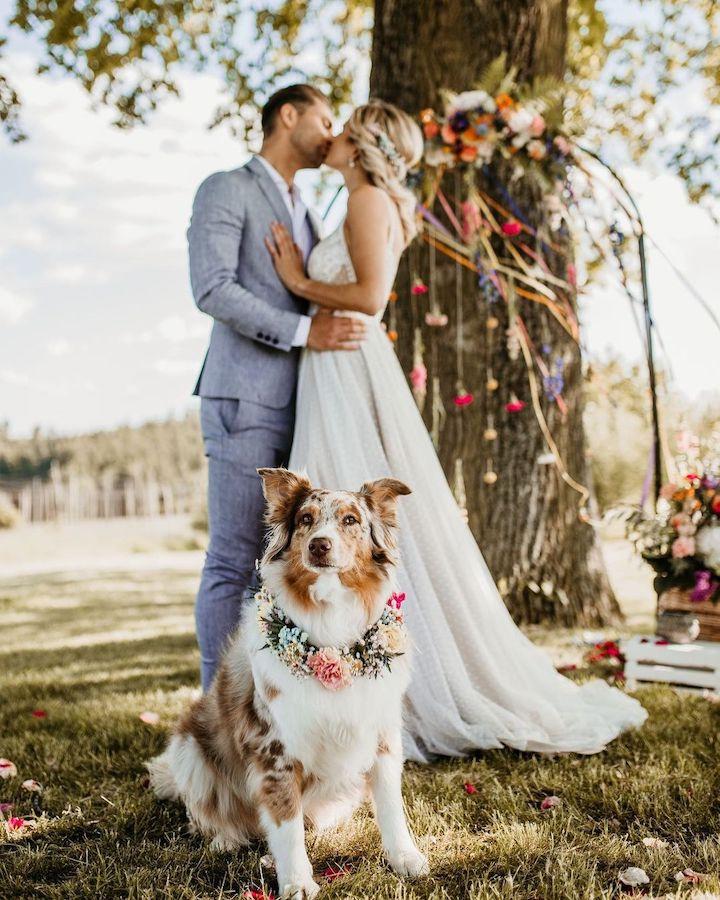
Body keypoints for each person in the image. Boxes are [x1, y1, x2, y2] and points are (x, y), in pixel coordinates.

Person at [266, 98, 648, 762]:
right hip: (334, 365)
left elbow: (369, 298)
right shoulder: (361, 200)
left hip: (347, 365)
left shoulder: (367, 203)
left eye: (341, 126)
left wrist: (297, 279)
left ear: (359, 143)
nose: (329, 135)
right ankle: (332, 686)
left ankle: (385, 689)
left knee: (348, 510)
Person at [188, 84, 368, 691]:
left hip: (309, 405)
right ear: (287, 116)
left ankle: (273, 698)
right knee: (234, 558)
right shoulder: (226, 188)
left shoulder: (309, 211)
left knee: (281, 563)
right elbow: (211, 287)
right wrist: (303, 331)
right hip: (246, 400)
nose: (330, 132)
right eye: (323, 119)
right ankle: (219, 712)